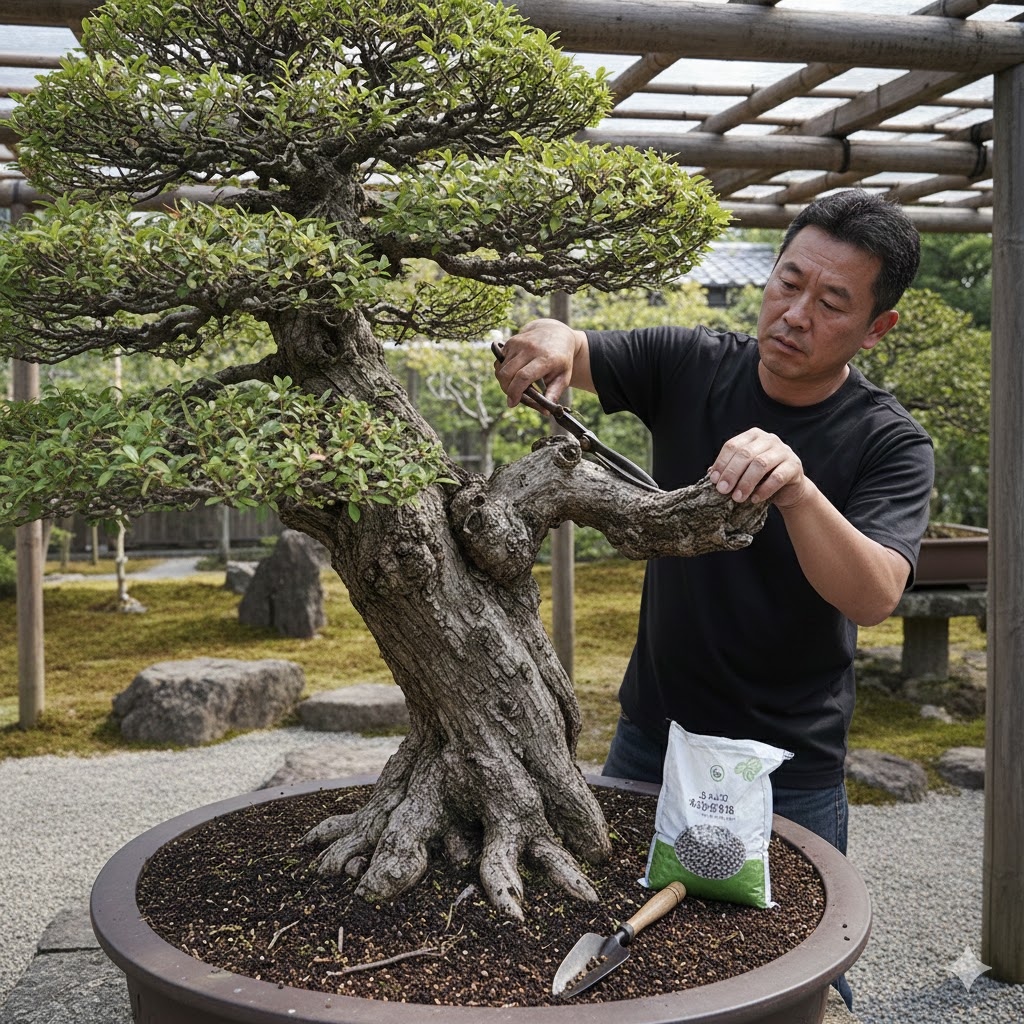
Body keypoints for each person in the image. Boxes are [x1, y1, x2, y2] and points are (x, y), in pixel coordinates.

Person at [496, 190, 933, 1008]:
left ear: (877, 329)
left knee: (782, 979)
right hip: (651, 741)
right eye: (787, 282)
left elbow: (875, 594)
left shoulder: (889, 441)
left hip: (788, 766)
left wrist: (799, 491)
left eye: (832, 302)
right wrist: (546, 341)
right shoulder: (693, 362)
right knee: (630, 962)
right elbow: (575, 345)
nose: (794, 313)